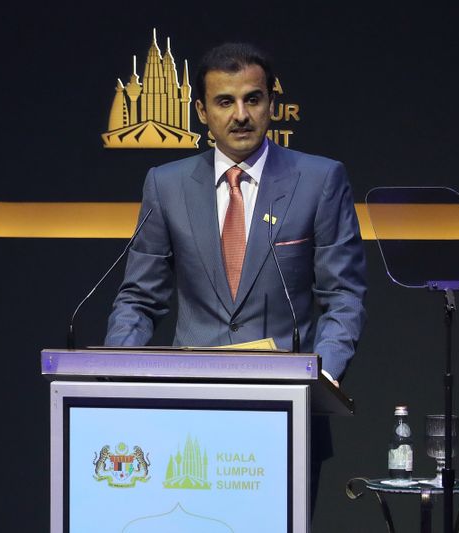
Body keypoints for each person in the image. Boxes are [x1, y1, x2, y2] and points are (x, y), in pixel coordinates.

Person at [104, 42, 367, 513]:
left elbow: (343, 296)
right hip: (188, 416)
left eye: (253, 99)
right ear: (202, 111)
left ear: (270, 102)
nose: (241, 115)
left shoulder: (320, 180)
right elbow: (139, 299)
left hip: (287, 415)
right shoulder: (165, 185)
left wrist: (319, 377)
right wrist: (118, 376)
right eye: (225, 102)